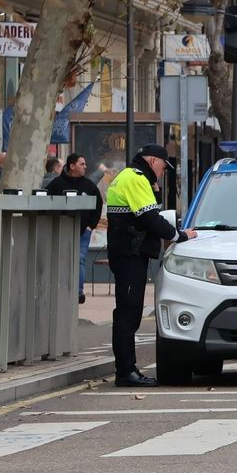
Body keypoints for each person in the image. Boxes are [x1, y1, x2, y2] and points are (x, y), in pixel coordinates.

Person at [106, 144, 195, 387]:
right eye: (163, 168)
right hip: (130, 254)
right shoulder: (135, 178)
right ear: (154, 161)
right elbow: (150, 218)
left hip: (127, 253)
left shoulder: (129, 176)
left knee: (128, 312)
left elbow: (144, 211)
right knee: (128, 314)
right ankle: (125, 371)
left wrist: (154, 190)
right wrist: (180, 236)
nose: (163, 173)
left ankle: (126, 369)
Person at [47, 153, 104, 305]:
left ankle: (78, 292)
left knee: (79, 259)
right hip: (60, 230)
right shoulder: (56, 184)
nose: (85, 167)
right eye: (81, 164)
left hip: (82, 231)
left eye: (85, 164)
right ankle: (58, 288)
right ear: (72, 166)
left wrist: (90, 226)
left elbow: (98, 205)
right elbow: (46, 201)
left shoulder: (89, 185)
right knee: (59, 259)